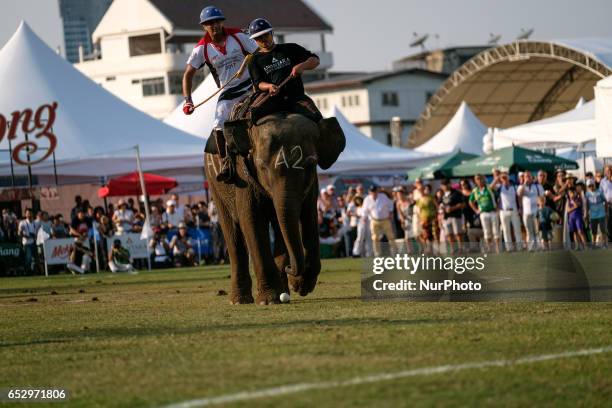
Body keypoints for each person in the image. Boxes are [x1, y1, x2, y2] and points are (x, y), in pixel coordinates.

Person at [182, 6, 258, 184]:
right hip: (229, 93)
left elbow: (259, 53)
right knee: (218, 124)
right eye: (209, 23)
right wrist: (188, 100)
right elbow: (187, 75)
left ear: (222, 22)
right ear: (204, 27)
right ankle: (226, 164)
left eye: (217, 21)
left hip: (252, 85)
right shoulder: (201, 49)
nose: (214, 26)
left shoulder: (239, 36)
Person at [247, 18, 323, 124]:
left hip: (296, 98)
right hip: (271, 100)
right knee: (250, 118)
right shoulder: (254, 60)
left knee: (319, 120)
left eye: (266, 35)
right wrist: (269, 86)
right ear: (254, 40)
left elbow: (315, 60)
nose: (263, 39)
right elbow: (258, 83)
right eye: (259, 38)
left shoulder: (291, 48)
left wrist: (302, 66)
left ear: (272, 33)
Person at [362, 186, 397, 257]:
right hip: (374, 220)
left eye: (374, 191)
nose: (373, 193)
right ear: (369, 192)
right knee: (375, 238)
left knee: (390, 236)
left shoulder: (383, 197)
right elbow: (364, 210)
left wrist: (390, 213)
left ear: (377, 191)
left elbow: (390, 204)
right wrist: (364, 217)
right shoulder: (367, 199)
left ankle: (395, 251)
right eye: (372, 191)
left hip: (385, 220)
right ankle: (377, 253)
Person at [469, 174, 500, 253]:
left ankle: (497, 249)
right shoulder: (475, 191)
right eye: (477, 179)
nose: (479, 180)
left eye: (480, 179)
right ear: (475, 181)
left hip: (492, 212)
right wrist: (476, 210)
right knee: (487, 231)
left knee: (496, 231)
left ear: (483, 179)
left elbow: (495, 183)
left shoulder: (488, 187)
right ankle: (489, 249)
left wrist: (496, 176)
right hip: (483, 213)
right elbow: (470, 201)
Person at [493, 172, 522, 251]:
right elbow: (491, 187)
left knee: (517, 229)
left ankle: (519, 247)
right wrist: (497, 178)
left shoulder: (514, 186)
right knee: (506, 231)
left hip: (514, 210)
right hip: (503, 211)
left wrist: (520, 208)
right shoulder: (499, 187)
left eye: (506, 177)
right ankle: (509, 248)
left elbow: (518, 197)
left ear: (509, 177)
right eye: (503, 178)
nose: (504, 179)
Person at [517, 172, 545, 251]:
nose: (527, 178)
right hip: (526, 213)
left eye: (529, 176)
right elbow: (519, 194)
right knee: (529, 231)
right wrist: (524, 184)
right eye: (526, 176)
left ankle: (539, 246)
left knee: (537, 230)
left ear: (532, 177)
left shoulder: (538, 186)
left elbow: (543, 197)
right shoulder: (521, 187)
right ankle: (531, 247)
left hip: (536, 212)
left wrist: (541, 206)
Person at [439, 180, 465, 254]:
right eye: (443, 185)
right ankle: (453, 249)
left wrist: (452, 208)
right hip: (446, 217)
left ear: (449, 184)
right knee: (449, 234)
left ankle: (460, 249)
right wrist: (442, 210)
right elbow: (440, 205)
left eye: (446, 184)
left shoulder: (456, 193)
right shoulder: (442, 195)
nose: (445, 186)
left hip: (455, 216)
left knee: (458, 233)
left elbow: (463, 204)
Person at [585, 179, 608, 248]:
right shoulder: (587, 194)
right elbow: (587, 205)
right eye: (589, 186)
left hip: (601, 214)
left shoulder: (600, 192)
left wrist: (606, 211)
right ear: (587, 187)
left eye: (592, 185)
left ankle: (604, 244)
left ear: (594, 185)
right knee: (593, 231)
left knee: (603, 230)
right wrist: (586, 214)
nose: (591, 187)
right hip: (592, 216)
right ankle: (594, 244)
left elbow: (605, 201)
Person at [416, 185, 438, 254]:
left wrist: (436, 215)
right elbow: (418, 210)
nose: (421, 191)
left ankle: (431, 248)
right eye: (419, 190)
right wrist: (420, 219)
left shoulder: (430, 197)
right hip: (423, 219)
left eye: (422, 189)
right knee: (425, 234)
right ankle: (427, 248)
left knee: (432, 234)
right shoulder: (419, 200)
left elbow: (436, 206)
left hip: (432, 218)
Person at [18, 209, 38, 274]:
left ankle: (34, 271)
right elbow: (19, 233)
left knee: (36, 258)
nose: (29, 215)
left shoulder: (35, 223)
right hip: (26, 243)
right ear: (25, 214)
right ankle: (27, 271)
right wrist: (26, 236)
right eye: (28, 213)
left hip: (34, 242)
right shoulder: (23, 223)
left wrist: (36, 236)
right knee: (28, 258)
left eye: (30, 213)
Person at [600, 165, 612, 243]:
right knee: (609, 223)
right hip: (608, 204)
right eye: (605, 171)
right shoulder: (603, 181)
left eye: (608, 171)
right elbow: (601, 193)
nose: (606, 172)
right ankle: (611, 241)